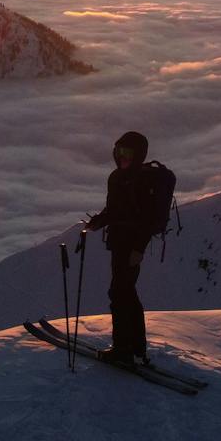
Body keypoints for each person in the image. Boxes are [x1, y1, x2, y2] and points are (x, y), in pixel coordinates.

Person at [84, 130, 158, 364]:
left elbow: (148, 219)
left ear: (138, 155)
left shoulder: (143, 181)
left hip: (131, 246)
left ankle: (123, 349)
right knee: (126, 292)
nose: (122, 156)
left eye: (127, 152)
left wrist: (139, 248)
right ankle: (136, 346)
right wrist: (98, 222)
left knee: (119, 293)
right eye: (119, 151)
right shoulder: (116, 178)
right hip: (118, 243)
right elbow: (114, 210)